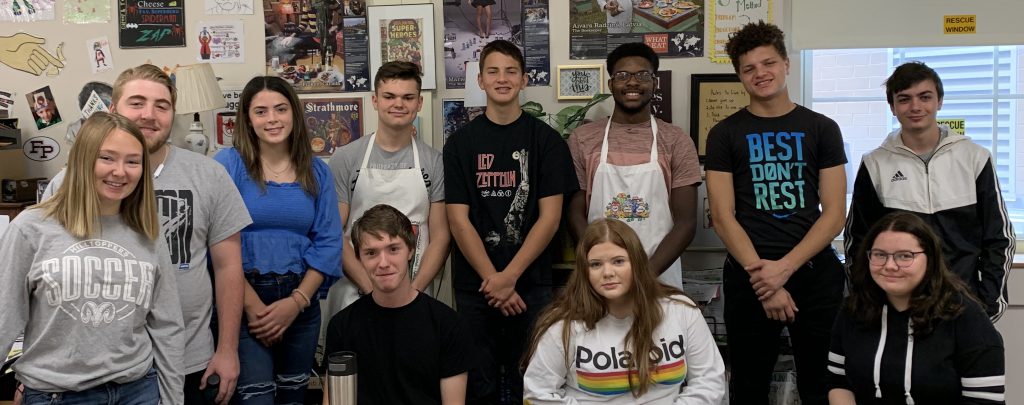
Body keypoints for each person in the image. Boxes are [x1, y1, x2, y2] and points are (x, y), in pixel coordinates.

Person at [42, 64, 253, 405]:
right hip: (95, 370)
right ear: (112, 110)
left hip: (190, 359)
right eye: (136, 103)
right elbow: (44, 276)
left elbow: (229, 267)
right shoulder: (69, 183)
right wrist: (34, 371)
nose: (149, 115)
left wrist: (227, 349)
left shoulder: (209, 175)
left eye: (162, 105)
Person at [704, 21, 847, 405]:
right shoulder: (724, 134)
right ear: (739, 76)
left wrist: (783, 269)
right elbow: (722, 216)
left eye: (768, 63)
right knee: (748, 385)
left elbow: (834, 214)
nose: (760, 74)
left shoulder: (822, 128)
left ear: (786, 64)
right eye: (749, 68)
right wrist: (764, 279)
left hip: (814, 275)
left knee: (823, 384)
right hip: (749, 275)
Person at [0, 112, 186, 404]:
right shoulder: (30, 228)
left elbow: (167, 324)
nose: (120, 171)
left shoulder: (148, 231)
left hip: (138, 390)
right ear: (83, 160)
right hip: (57, 394)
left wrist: (174, 399)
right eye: (107, 158)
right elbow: (4, 319)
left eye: (133, 161)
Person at [443, 39, 579, 404]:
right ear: (481, 80)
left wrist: (509, 278)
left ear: (523, 80)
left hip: (531, 285)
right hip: (475, 288)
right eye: (493, 71)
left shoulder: (547, 141)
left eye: (511, 71)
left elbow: (550, 219)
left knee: (531, 380)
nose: (502, 79)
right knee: (479, 383)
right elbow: (458, 221)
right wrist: (494, 280)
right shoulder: (459, 144)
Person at [844, 61, 1014, 322]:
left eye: (925, 97)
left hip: (963, 304)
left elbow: (999, 238)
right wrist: (870, 301)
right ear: (892, 107)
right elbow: (858, 242)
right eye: (904, 99)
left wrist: (988, 304)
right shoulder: (875, 164)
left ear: (939, 101)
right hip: (896, 307)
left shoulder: (974, 158)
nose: (915, 107)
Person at [213, 76, 343, 404]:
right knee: (255, 398)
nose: (272, 119)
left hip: (301, 303)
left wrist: (296, 303)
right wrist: (254, 307)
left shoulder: (317, 171)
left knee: (294, 397)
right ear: (246, 118)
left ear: (295, 114)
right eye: (261, 111)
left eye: (281, 109)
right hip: (242, 302)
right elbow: (212, 242)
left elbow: (329, 242)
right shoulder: (227, 166)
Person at [522, 218, 725, 404]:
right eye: (595, 264)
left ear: (637, 263)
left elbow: (709, 381)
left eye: (618, 261)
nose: (608, 273)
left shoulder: (681, 310)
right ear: (584, 271)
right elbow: (537, 394)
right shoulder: (564, 325)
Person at [827, 211, 1005, 404]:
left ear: (930, 259)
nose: (890, 265)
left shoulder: (965, 316)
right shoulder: (853, 309)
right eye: (880, 255)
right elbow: (838, 381)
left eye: (905, 256)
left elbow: (985, 400)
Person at [567, 42, 699, 290]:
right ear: (610, 84)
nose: (632, 82)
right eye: (622, 75)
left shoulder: (675, 140)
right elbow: (575, 214)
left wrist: (644, 276)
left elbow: (686, 223)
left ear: (655, 83)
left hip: (658, 277)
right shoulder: (583, 139)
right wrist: (600, 266)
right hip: (600, 276)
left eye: (642, 75)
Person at [325, 61, 449, 318]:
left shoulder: (434, 162)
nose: (398, 104)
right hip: (355, 292)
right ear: (375, 101)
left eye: (408, 97)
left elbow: (440, 237)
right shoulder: (347, 158)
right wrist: (370, 289)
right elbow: (335, 232)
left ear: (419, 103)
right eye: (389, 96)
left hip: (415, 289)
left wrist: (411, 292)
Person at [322, 204, 470, 405]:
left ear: (410, 250)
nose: (383, 263)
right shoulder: (342, 326)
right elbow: (333, 401)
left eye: (393, 249)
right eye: (371, 253)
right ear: (359, 258)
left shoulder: (446, 325)